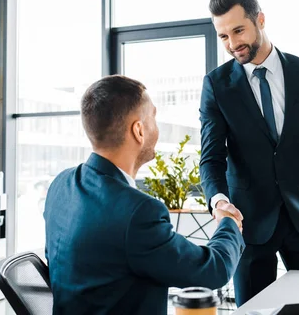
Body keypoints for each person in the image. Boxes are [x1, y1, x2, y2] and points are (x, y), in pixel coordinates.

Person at [44, 75, 245, 315]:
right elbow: (213, 270)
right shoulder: (137, 212)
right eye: (153, 117)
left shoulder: (61, 185)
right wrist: (229, 223)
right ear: (138, 130)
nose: (156, 128)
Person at [199, 0, 299, 306]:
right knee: (254, 312)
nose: (232, 43)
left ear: (261, 20)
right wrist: (219, 201)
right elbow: (211, 158)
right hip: (249, 223)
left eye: (238, 30)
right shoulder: (216, 85)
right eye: (223, 36)